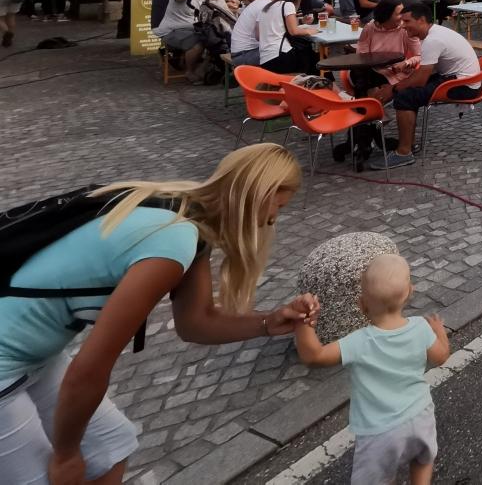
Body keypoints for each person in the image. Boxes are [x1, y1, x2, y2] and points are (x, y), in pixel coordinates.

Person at [0, 146, 315, 485]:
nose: (270, 221)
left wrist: (268, 322)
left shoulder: (181, 209)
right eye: (277, 208)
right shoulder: (172, 240)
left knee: (110, 448)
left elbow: (197, 323)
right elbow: (88, 370)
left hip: (36, 354)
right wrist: (66, 455)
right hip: (6, 360)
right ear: (258, 194)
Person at [294, 254, 448, 485]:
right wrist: (439, 331)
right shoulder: (420, 327)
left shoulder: (359, 342)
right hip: (420, 415)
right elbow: (441, 356)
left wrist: (303, 321)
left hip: (380, 432)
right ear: (410, 292)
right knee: (422, 460)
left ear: (361, 304)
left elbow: (314, 356)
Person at [367, 7, 482, 169]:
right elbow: (423, 73)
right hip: (464, 80)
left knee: (405, 97)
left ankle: (403, 152)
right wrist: (398, 84)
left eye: (407, 21)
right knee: (406, 91)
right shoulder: (436, 33)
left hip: (463, 86)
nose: (403, 25)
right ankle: (408, 143)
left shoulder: (432, 40)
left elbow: (420, 80)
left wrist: (392, 89)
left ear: (421, 20)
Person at [150, 0, 219, 74]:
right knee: (199, 43)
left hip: (186, 29)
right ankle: (190, 72)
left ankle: (200, 67)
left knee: (213, 39)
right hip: (171, 31)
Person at [351, 0, 422, 98]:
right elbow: (362, 53)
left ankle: (366, 107)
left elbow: (419, 55)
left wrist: (406, 63)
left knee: (364, 80)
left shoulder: (406, 29)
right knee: (359, 73)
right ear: (386, 15)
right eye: (399, 14)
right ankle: (368, 105)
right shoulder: (370, 27)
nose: (402, 17)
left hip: (395, 71)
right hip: (372, 68)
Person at [256, 0, 319, 74]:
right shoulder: (288, 5)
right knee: (315, 57)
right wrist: (310, 31)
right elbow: (294, 31)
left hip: (265, 59)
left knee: (311, 56)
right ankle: (326, 85)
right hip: (281, 56)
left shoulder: (267, 7)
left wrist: (301, 21)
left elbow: (258, 35)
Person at [229, 0, 281, 69]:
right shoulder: (266, 6)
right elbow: (260, 36)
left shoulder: (263, 2)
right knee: (286, 53)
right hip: (243, 55)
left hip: (241, 52)